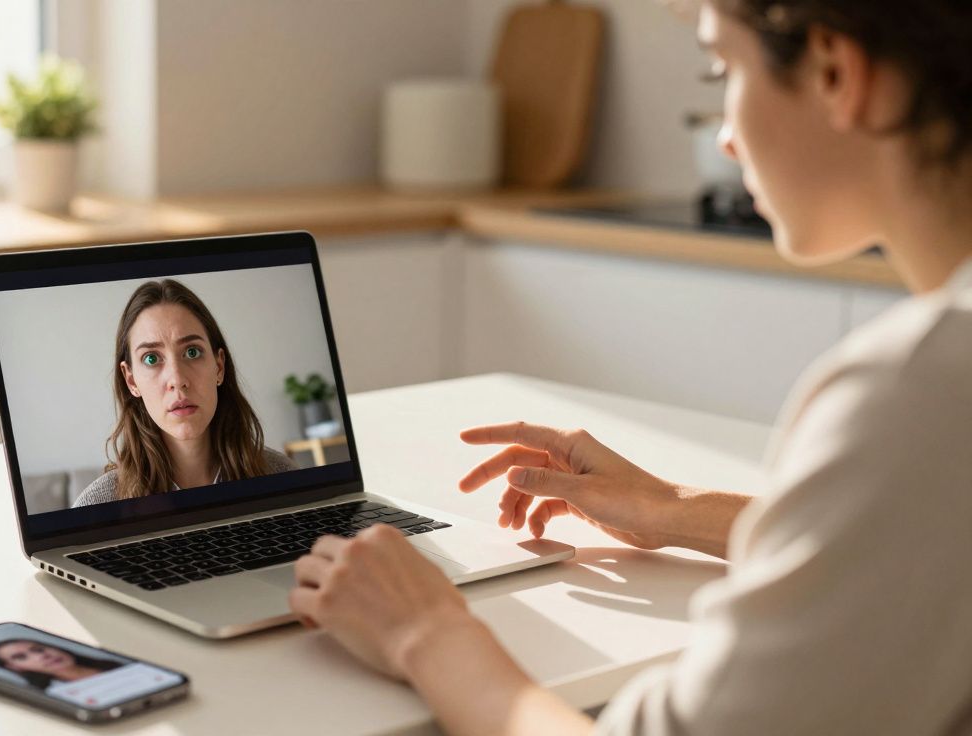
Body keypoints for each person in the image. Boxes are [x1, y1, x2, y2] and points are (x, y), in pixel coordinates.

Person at [289, 0, 972, 733]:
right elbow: (916, 535)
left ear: (837, 72)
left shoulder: (919, 391)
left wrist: (424, 631)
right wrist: (670, 507)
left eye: (723, 70)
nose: (726, 137)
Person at [73, 278, 297, 506]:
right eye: (151, 358)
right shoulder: (94, 507)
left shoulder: (283, 476)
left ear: (219, 366)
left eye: (192, 352)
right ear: (131, 380)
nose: (177, 380)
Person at [0, 638, 124, 691]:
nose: (42, 656)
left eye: (39, 649)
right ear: (14, 667)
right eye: (21, 657)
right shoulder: (52, 693)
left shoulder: (114, 664)